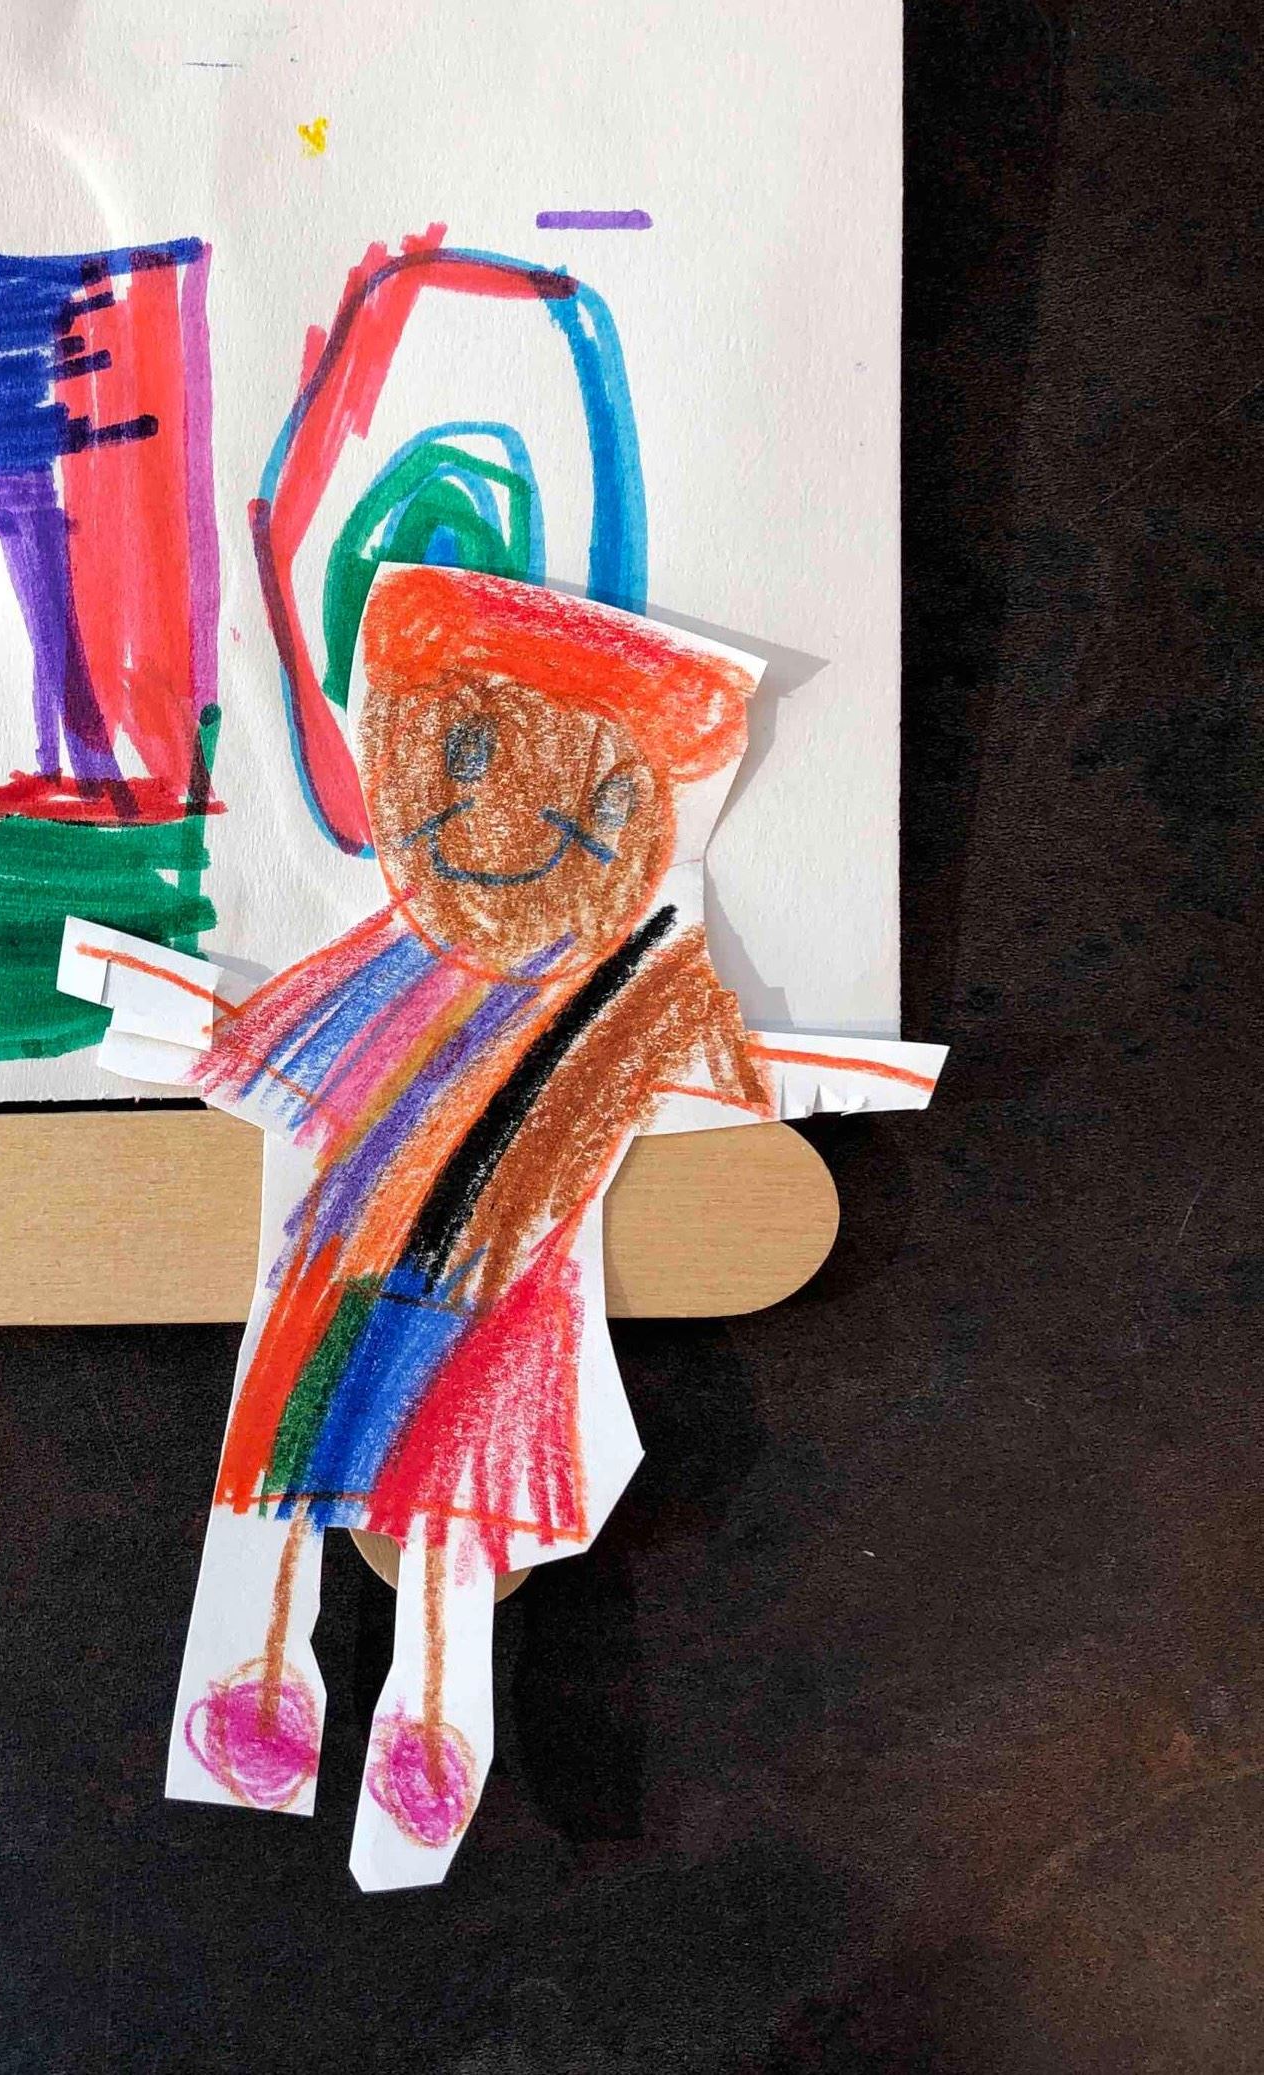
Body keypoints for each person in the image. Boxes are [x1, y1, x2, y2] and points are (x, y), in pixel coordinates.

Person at [70, 563, 941, 1889]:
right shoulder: (379, 974)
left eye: (585, 796)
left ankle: (427, 1725)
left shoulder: (626, 1005)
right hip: (348, 1273)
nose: (504, 817)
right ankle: (261, 1683)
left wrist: (881, 1075)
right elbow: (272, 1063)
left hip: (495, 1307)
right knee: (295, 1469)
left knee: (451, 1510)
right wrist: (135, 1002)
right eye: (468, 757)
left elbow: (729, 1078)